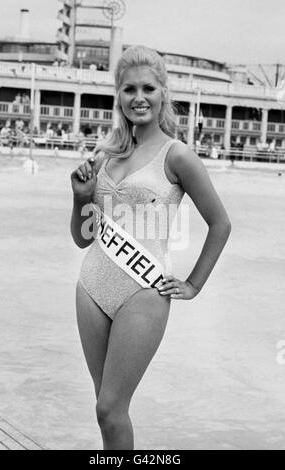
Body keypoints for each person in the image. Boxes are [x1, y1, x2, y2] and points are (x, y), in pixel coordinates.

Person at [70, 45, 231, 450]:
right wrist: (80, 198)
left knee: (111, 407)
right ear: (118, 95)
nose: (138, 98)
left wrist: (193, 284)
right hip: (91, 285)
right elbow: (82, 237)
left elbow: (220, 224)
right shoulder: (105, 153)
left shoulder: (177, 156)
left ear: (162, 93)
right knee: (105, 410)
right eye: (128, 89)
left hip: (144, 292)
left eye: (147, 88)